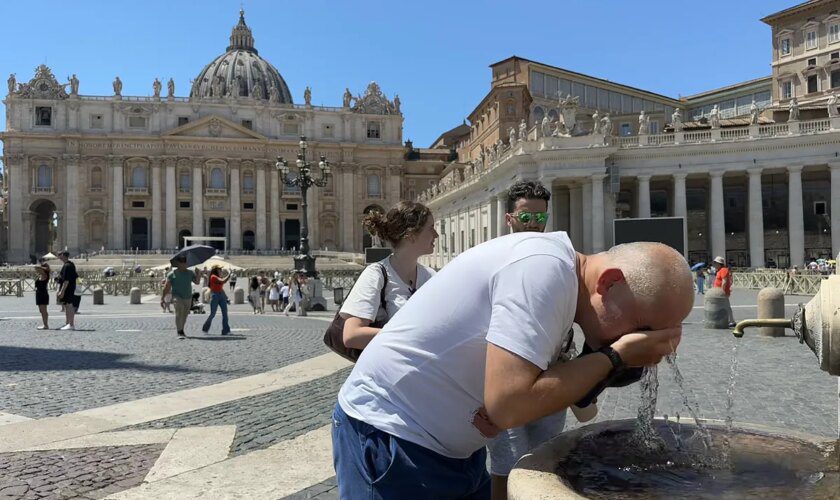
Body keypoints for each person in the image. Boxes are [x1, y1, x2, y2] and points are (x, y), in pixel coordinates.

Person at [332, 237, 694, 498]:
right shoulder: (542, 270)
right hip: (392, 440)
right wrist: (617, 354)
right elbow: (509, 405)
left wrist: (507, 400)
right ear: (609, 282)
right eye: (644, 328)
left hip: (451, 451)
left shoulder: (560, 280)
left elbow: (515, 395)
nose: (647, 342)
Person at [487, 180, 566, 499]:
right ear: (509, 219)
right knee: (505, 465)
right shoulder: (492, 259)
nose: (533, 224)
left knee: (544, 459)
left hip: (551, 375)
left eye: (540, 217)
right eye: (525, 217)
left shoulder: (559, 257)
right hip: (504, 379)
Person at [339, 201, 437, 349]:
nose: (436, 234)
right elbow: (352, 335)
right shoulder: (376, 275)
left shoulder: (431, 276)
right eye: (430, 228)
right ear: (411, 235)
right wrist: (414, 336)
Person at [161, 255, 201, 338]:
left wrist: (198, 274)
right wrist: (162, 298)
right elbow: (166, 287)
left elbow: (197, 282)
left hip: (188, 297)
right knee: (179, 311)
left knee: (185, 314)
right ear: (178, 263)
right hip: (176, 296)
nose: (183, 264)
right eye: (182, 262)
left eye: (185, 262)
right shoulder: (172, 274)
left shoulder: (190, 273)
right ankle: (180, 331)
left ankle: (181, 329)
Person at [202, 265, 231, 336]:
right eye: (219, 269)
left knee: (225, 314)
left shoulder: (218, 277)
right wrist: (229, 274)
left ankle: (225, 330)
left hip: (221, 295)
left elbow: (221, 288)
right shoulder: (213, 277)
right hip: (215, 296)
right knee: (213, 314)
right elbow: (223, 281)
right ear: (216, 270)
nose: (221, 270)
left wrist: (226, 298)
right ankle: (205, 328)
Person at [56, 251, 80, 331]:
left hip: (68, 288)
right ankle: (67, 323)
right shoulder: (70, 264)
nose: (59, 257)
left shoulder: (67, 266)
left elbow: (66, 280)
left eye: (60, 255)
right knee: (66, 305)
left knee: (69, 305)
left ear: (63, 255)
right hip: (70, 287)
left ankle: (71, 324)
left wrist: (62, 291)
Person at [711, 256, 735, 327]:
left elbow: (724, 281)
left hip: (722, 292)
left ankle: (731, 320)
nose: (714, 265)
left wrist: (721, 291)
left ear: (719, 264)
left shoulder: (723, 270)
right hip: (719, 292)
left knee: (727, 306)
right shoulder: (719, 270)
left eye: (715, 263)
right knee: (721, 306)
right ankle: (722, 319)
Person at [34, 259, 50, 330]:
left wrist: (44, 267)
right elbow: (36, 268)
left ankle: (46, 325)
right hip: (39, 294)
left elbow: (36, 267)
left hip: (43, 294)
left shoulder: (45, 275)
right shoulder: (40, 275)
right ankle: (45, 324)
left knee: (44, 311)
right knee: (41, 310)